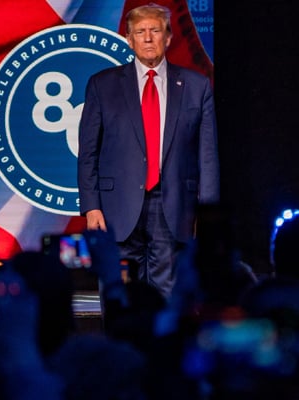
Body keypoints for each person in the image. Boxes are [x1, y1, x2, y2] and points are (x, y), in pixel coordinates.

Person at [77, 3, 220, 299]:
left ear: (168, 38)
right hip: (116, 208)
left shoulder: (196, 85)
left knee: (168, 296)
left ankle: (163, 346)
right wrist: (91, 207)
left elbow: (207, 155)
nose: (147, 38)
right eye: (140, 32)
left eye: (155, 30)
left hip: (173, 206)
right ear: (129, 40)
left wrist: (208, 214)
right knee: (119, 294)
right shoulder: (102, 85)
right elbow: (88, 152)